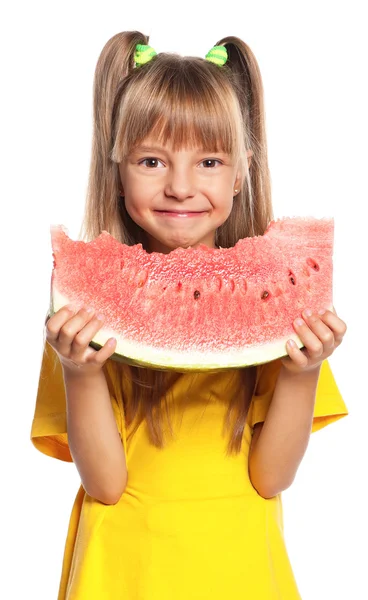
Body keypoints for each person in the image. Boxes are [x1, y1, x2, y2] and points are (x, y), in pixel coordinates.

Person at [31, 31, 349, 599]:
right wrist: (79, 373)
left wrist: (302, 373)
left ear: (241, 170)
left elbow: (271, 478)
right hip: (127, 569)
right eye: (152, 160)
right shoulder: (81, 313)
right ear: (118, 165)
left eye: (208, 161)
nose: (180, 187)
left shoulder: (279, 306)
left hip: (240, 568)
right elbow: (106, 485)